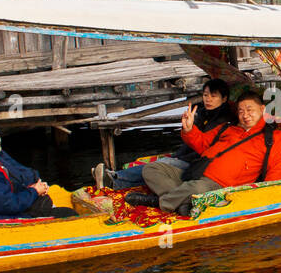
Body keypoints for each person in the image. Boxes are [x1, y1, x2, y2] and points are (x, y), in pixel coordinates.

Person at [128, 91, 281, 217]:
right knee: (151, 169)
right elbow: (202, 143)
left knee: (197, 187)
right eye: (241, 111)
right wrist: (189, 129)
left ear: (262, 109)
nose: (245, 115)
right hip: (196, 172)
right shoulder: (228, 128)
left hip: (219, 185)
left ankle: (161, 202)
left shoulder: (272, 138)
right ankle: (181, 203)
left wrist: (264, 200)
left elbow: (275, 174)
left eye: (250, 110)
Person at [96, 79, 233, 190]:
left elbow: (205, 147)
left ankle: (115, 178)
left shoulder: (224, 121)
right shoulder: (202, 113)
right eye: (205, 95)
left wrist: (181, 157)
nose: (208, 99)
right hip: (186, 156)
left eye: (213, 96)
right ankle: (115, 181)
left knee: (159, 166)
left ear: (224, 98)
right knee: (160, 165)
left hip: (199, 162)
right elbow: (189, 140)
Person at [0, 118, 77, 220]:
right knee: (68, 214)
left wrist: (31, 189)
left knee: (48, 205)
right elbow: (7, 205)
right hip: (0, 218)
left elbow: (4, 194)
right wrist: (34, 192)